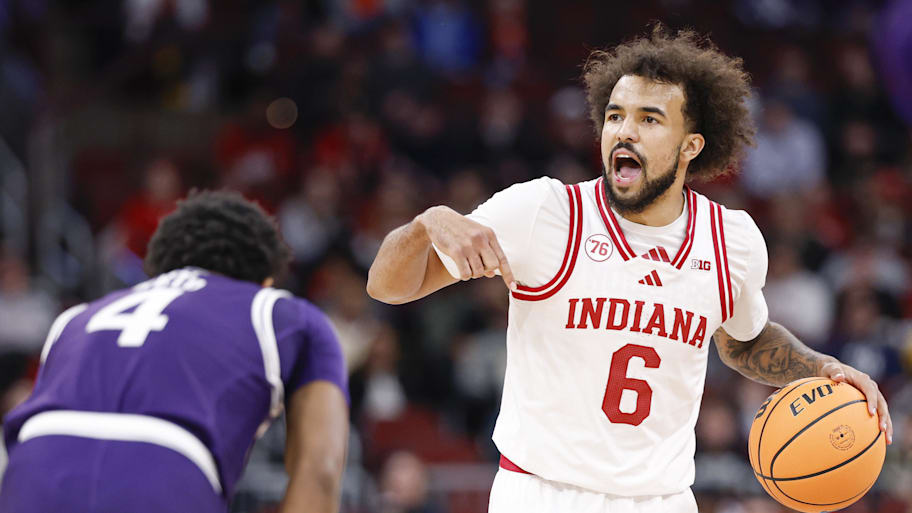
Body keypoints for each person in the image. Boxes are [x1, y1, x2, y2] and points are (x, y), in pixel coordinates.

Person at [366, 26, 893, 513]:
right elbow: (386, 287)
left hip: (660, 499)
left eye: (649, 118)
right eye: (616, 115)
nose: (624, 131)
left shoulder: (732, 240)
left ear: (691, 146)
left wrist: (818, 367)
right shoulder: (543, 212)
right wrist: (427, 223)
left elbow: (744, 341)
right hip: (542, 493)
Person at [0, 191, 349, 513]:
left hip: (31, 469)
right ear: (265, 281)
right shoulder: (282, 312)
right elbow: (320, 469)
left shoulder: (76, 317)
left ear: (160, 266)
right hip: (165, 468)